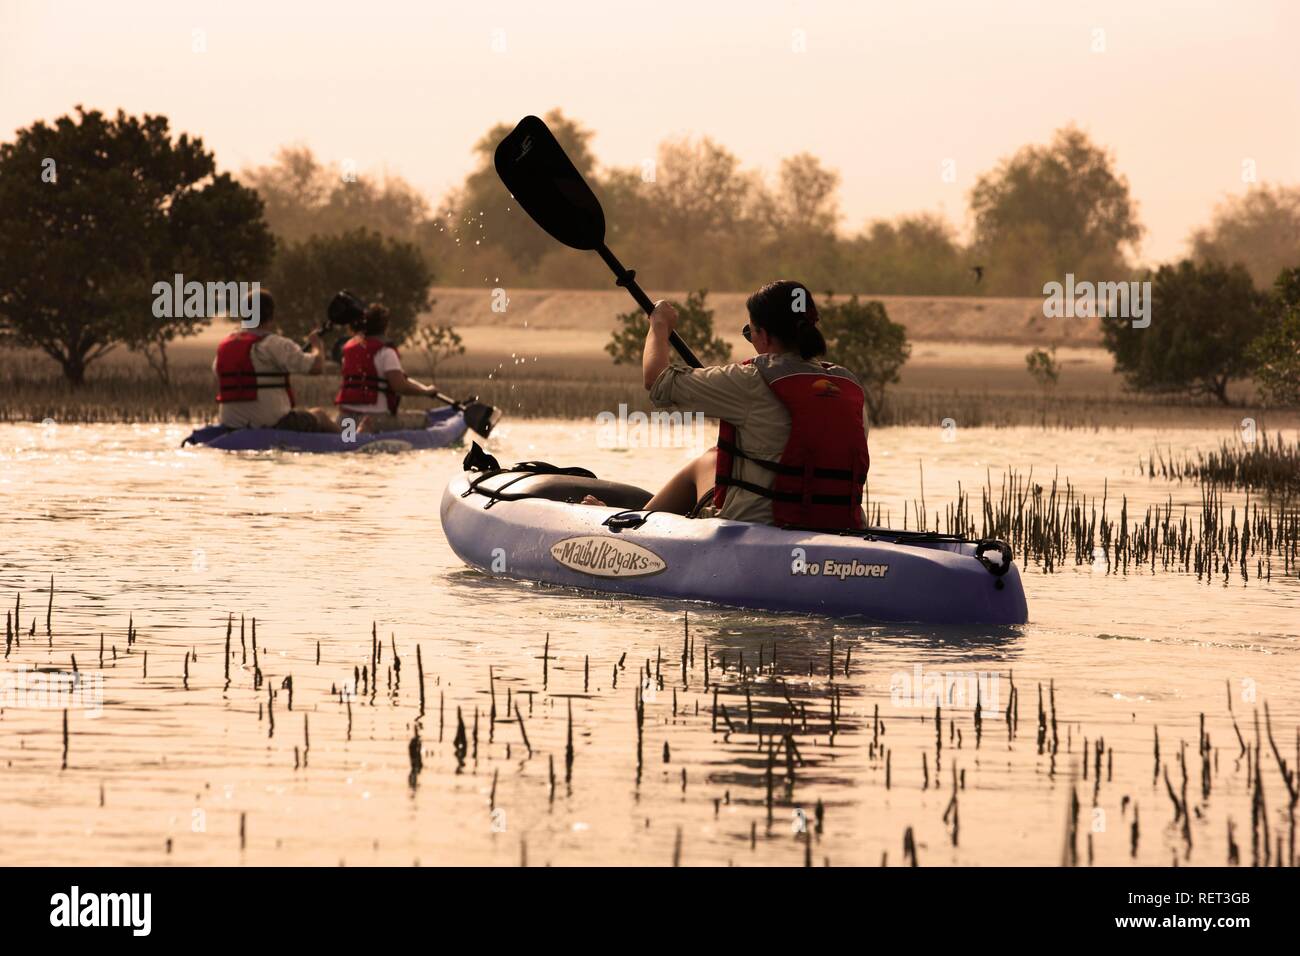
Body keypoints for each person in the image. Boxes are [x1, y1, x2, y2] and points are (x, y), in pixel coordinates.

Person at [587, 280, 870, 529]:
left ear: (765, 335)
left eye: (750, 332)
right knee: (717, 454)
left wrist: (659, 326)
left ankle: (635, 527)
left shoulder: (750, 380)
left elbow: (657, 380)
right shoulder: (849, 386)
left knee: (707, 460)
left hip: (760, 528)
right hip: (839, 527)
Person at [213, 289, 335, 431]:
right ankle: (350, 441)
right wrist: (317, 346)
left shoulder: (224, 347)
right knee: (320, 416)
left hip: (231, 422)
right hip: (272, 423)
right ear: (271, 316)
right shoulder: (276, 344)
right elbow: (316, 367)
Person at [334, 303, 443, 433]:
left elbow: (399, 379)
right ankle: (364, 431)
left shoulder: (349, 348)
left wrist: (424, 388)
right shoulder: (385, 351)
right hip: (375, 419)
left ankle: (354, 436)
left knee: (348, 441)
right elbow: (400, 386)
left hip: (346, 418)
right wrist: (425, 392)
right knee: (424, 419)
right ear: (385, 326)